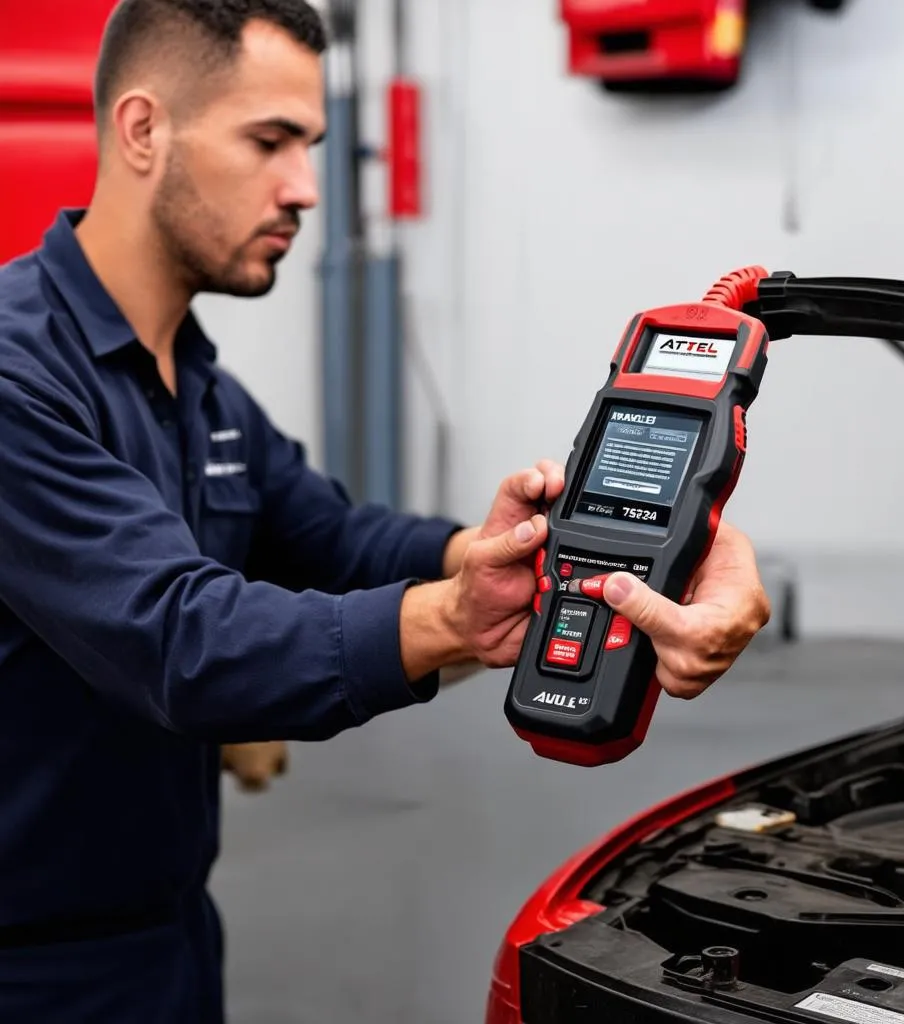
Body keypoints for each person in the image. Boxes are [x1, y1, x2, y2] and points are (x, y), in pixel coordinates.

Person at [0, 0, 771, 1020]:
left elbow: (334, 537)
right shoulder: (18, 371)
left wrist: (537, 550)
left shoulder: (194, 381)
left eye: (311, 145)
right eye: (269, 141)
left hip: (168, 935)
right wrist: (457, 615)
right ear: (143, 131)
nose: (306, 189)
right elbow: (179, 636)